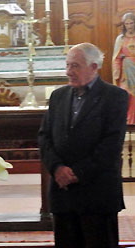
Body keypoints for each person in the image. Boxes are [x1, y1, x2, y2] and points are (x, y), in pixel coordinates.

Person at [38, 43, 128, 248]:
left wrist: (76, 173)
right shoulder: (58, 96)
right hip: (63, 194)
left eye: (75, 66)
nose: (69, 71)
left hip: (97, 193)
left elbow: (111, 144)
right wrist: (57, 168)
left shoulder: (115, 97)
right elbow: (44, 137)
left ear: (94, 67)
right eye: (67, 65)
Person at [112, 12, 135, 124]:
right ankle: (127, 121)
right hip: (125, 72)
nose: (129, 26)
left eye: (131, 23)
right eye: (127, 24)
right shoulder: (120, 39)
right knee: (126, 94)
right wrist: (117, 70)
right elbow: (116, 57)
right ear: (124, 25)